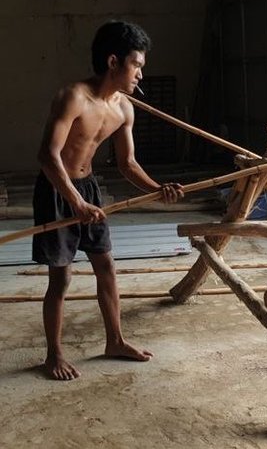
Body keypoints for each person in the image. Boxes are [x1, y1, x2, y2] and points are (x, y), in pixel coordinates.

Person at [33, 20, 183, 380]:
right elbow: (48, 156)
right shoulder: (73, 97)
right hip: (57, 189)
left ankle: (114, 341)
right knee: (62, 277)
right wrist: (75, 204)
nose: (141, 75)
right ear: (114, 62)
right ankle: (53, 355)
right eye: (137, 66)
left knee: (107, 268)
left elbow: (127, 164)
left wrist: (156, 189)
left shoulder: (124, 109)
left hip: (88, 189)